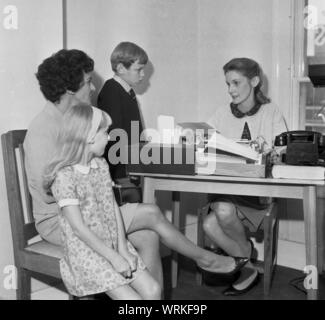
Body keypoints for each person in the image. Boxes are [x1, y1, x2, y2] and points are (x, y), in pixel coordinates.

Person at [24, 49, 247, 294]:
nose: (92, 89)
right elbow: (48, 192)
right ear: (69, 90)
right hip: (61, 220)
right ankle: (207, 260)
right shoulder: (42, 130)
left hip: (92, 210)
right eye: (88, 82)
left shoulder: (77, 119)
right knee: (151, 212)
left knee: (150, 236)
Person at [43, 104, 161, 299]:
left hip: (112, 243)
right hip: (87, 253)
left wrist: (122, 248)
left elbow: (112, 206)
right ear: (89, 137)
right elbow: (79, 229)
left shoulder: (101, 165)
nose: (109, 137)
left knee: (153, 290)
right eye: (105, 132)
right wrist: (114, 257)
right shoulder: (65, 177)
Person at [203, 57, 288, 296]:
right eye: (228, 84)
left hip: (257, 193)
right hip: (228, 189)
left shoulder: (271, 112)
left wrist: (269, 152)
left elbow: (283, 149)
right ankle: (248, 265)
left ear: (254, 81)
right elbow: (204, 140)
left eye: (236, 83)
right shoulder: (221, 113)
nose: (230, 90)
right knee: (209, 224)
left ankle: (242, 260)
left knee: (217, 214)